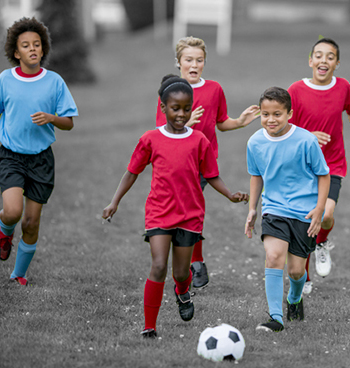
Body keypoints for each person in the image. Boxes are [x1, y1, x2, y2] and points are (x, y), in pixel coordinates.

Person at [103, 75, 248, 338]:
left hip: (190, 215)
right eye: (175, 108)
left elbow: (211, 175)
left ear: (192, 107)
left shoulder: (199, 141)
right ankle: (149, 326)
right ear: (163, 108)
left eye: (186, 108)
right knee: (159, 266)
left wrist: (230, 194)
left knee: (181, 273)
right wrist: (115, 202)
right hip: (159, 212)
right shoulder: (150, 139)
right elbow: (132, 172)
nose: (181, 114)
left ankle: (182, 292)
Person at [156, 36, 259, 289]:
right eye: (188, 60)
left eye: (199, 60)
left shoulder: (214, 89)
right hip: (174, 164)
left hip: (203, 163)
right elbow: (160, 131)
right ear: (178, 62)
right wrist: (185, 125)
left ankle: (196, 262)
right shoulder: (170, 91)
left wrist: (240, 122)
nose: (194, 64)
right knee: (180, 213)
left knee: (192, 208)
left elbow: (221, 123)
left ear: (204, 62)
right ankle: (185, 259)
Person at [0, 17, 78, 286]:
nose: (32, 49)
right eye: (26, 45)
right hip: (11, 156)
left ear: (43, 50)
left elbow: (69, 123)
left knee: (30, 223)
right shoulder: (5, 80)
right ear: (16, 53)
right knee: (13, 211)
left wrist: (51, 118)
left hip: (41, 159)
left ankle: (18, 274)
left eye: (37, 44)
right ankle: (4, 231)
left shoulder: (54, 82)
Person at [287, 37, 350, 293]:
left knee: (325, 215)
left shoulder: (344, 87)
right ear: (310, 60)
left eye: (330, 57)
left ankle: (322, 244)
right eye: (319, 55)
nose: (323, 60)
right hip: (301, 165)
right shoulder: (295, 90)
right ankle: (305, 279)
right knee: (303, 221)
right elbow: (283, 126)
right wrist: (308, 136)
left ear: (337, 63)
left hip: (332, 163)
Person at [244, 87, 330, 332]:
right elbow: (256, 175)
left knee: (295, 271)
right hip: (274, 209)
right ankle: (276, 318)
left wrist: (319, 209)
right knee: (273, 257)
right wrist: (252, 209)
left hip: (304, 212)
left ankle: (294, 297)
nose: (270, 119)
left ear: (290, 114)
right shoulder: (255, 142)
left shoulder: (306, 140)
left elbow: (324, 175)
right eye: (265, 114)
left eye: (277, 114)